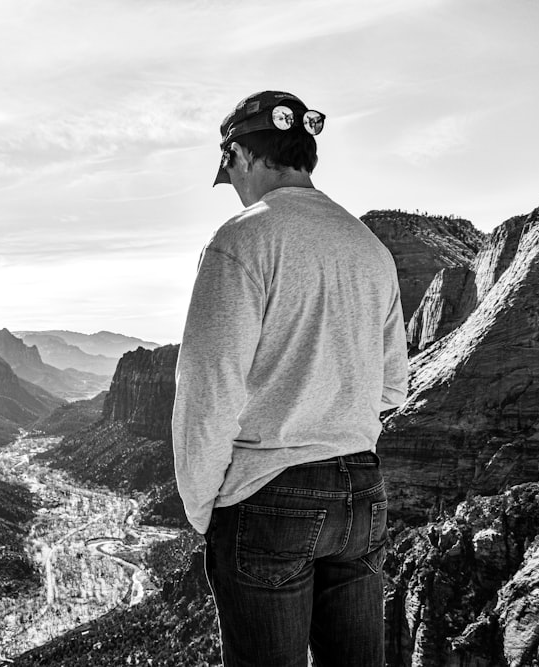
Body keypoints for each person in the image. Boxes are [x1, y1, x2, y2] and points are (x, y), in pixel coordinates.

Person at [171, 90, 408, 666]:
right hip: (362, 495)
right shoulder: (370, 248)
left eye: (227, 170)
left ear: (243, 155)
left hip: (268, 496)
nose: (231, 185)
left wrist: (203, 506)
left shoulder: (242, 239)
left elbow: (208, 388)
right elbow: (392, 388)